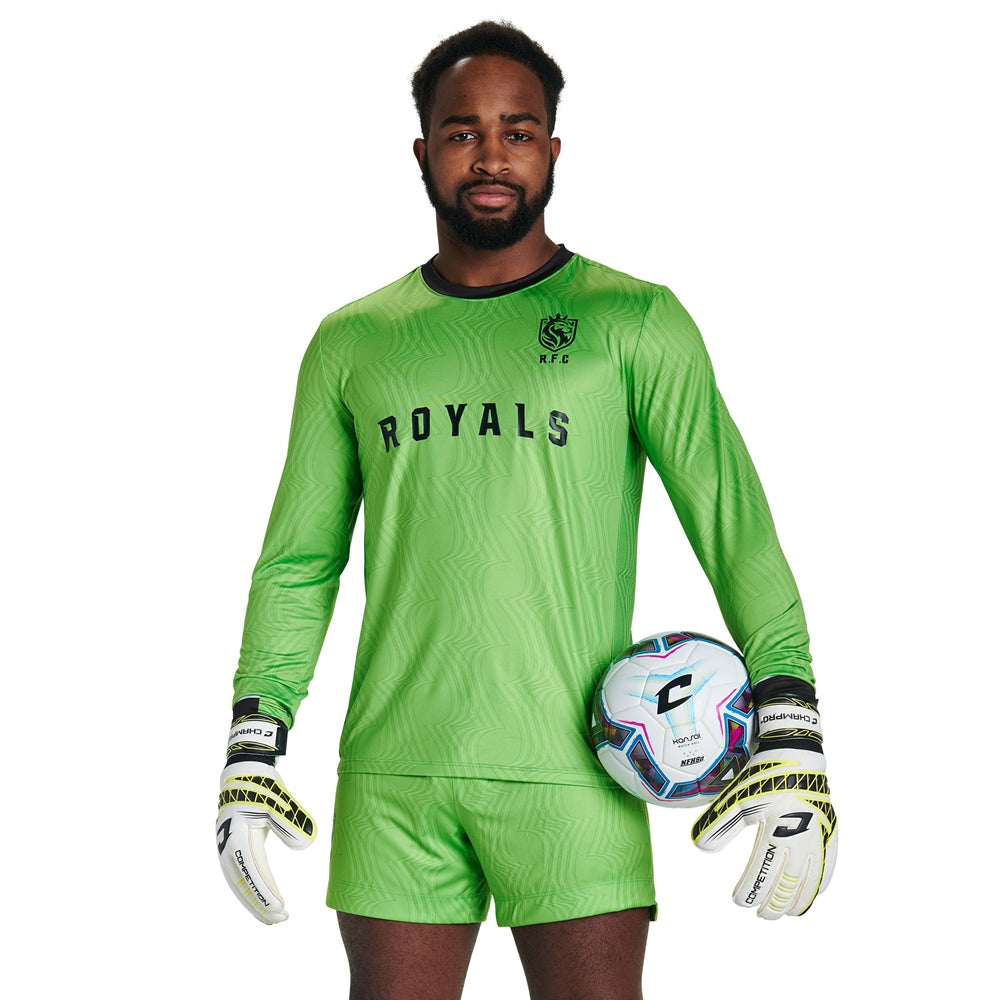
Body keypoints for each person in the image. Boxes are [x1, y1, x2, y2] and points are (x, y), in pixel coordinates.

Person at [216, 20, 838, 1000]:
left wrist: (792, 716)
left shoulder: (633, 320)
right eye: (463, 131)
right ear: (422, 151)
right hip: (395, 776)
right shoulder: (353, 341)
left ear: (552, 147)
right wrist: (255, 733)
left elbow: (732, 524)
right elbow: (300, 560)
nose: (491, 155)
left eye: (517, 130)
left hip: (579, 774)